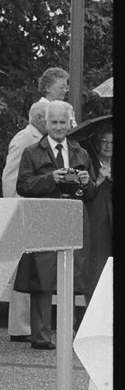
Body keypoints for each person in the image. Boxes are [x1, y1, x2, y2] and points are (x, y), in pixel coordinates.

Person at [15, 99, 96, 348]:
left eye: (62, 122)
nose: (58, 127)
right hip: (45, 218)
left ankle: (67, 334)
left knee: (70, 276)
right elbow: (23, 186)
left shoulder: (81, 152)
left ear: (69, 123)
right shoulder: (31, 152)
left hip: (72, 218)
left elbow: (92, 192)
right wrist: (51, 178)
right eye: (53, 122)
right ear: (45, 123)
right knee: (42, 277)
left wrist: (84, 181)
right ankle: (40, 337)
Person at [1, 99, 49, 341]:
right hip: (21, 209)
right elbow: (10, 176)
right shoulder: (24, 138)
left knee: (31, 269)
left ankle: (29, 325)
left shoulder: (40, 140)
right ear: (40, 119)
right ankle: (20, 327)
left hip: (33, 211)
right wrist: (13, 207)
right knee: (21, 269)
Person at [82, 123, 112, 303]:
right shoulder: (90, 163)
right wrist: (99, 179)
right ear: (98, 144)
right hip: (97, 222)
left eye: (112, 142)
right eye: (104, 141)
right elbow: (85, 193)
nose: (108, 146)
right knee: (96, 266)